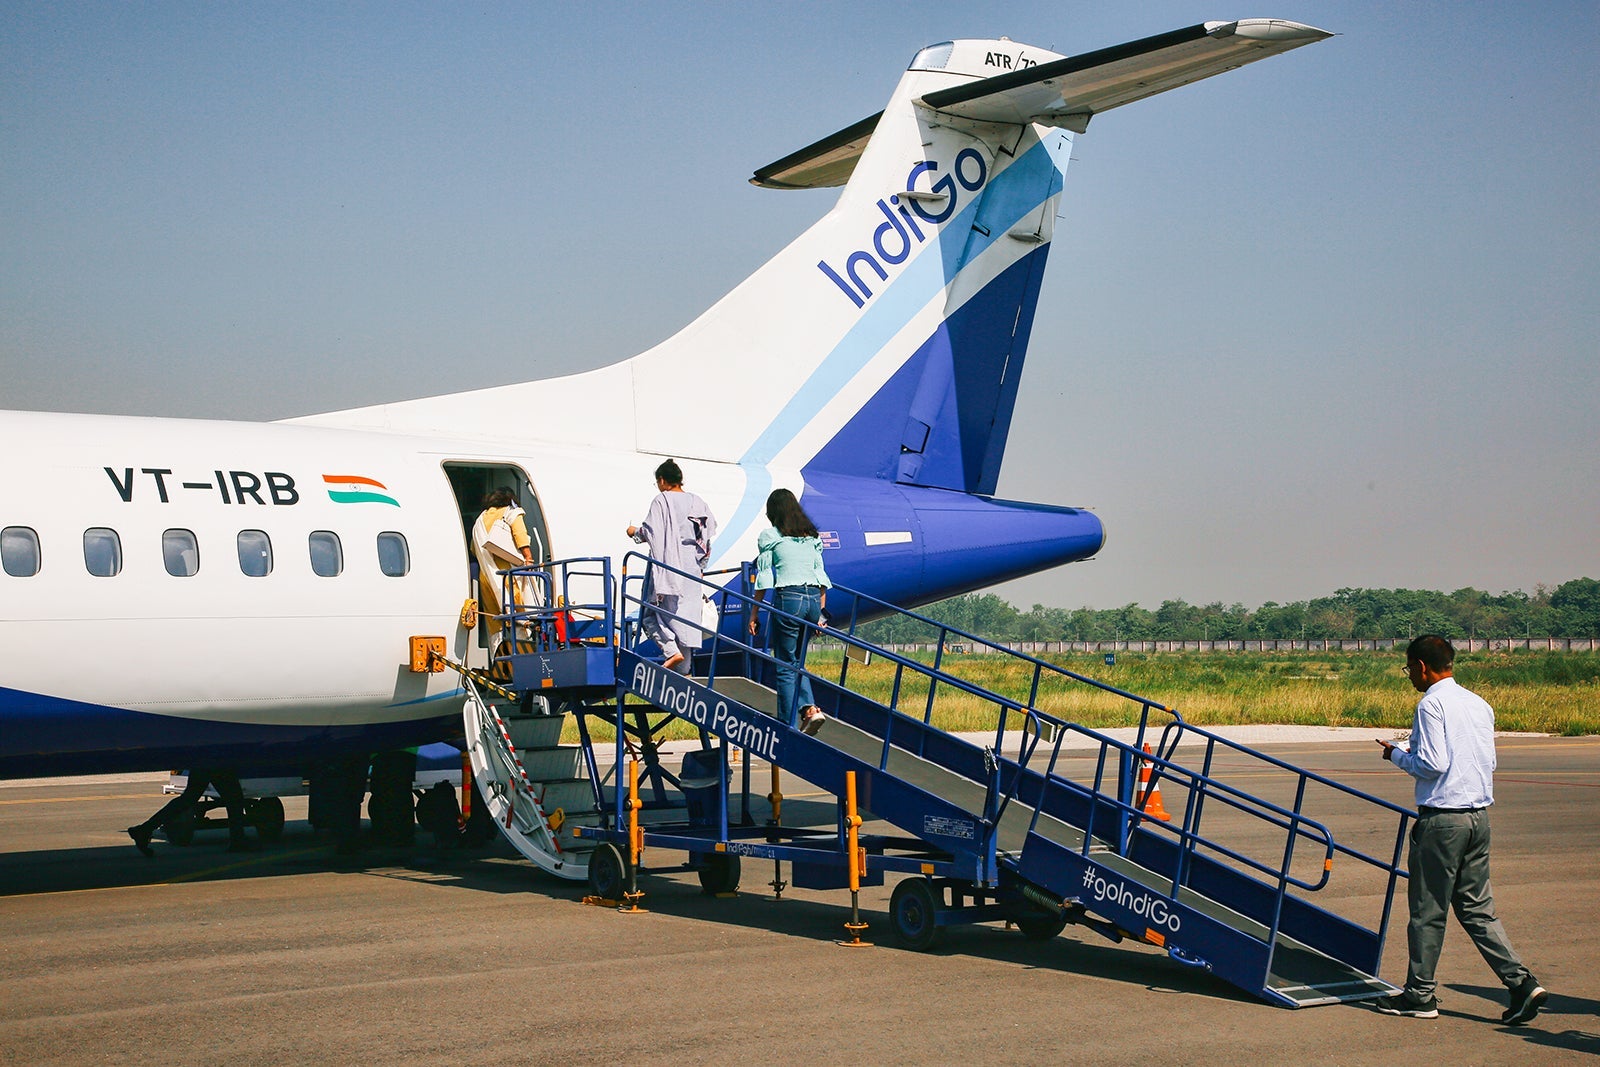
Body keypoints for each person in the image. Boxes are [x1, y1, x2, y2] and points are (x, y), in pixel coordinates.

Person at [1374, 635, 1547, 1025]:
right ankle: (1520, 982)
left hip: (1443, 820)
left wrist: (1397, 755)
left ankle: (1420, 995)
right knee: (1477, 909)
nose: (1410, 677)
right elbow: (1487, 760)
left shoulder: (1430, 704)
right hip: (1478, 816)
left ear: (1421, 666)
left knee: (1427, 911)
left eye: (1409, 670)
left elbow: (1433, 763)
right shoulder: (1478, 703)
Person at [748, 488, 830, 734]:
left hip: (790, 598)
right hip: (812, 601)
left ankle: (786, 725)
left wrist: (754, 613)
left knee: (785, 664)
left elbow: (763, 577)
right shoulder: (811, 538)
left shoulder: (771, 536)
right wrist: (820, 616)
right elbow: (821, 578)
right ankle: (810, 710)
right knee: (797, 660)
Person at [627, 459, 716, 673]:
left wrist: (634, 533)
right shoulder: (698, 502)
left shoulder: (662, 501)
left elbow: (651, 532)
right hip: (692, 568)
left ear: (662, 480)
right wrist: (701, 566)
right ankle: (683, 672)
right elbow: (707, 535)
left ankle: (670, 650)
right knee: (685, 621)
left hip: (668, 564)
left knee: (649, 613)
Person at [127, 767, 250, 855]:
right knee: (234, 800)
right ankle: (237, 841)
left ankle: (144, 830)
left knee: (188, 799)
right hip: (216, 759)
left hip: (205, 759)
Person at [472, 487, 537, 640]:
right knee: (519, 615)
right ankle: (521, 651)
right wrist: (528, 558)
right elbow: (519, 533)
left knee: (495, 622)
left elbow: (473, 549)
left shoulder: (480, 519)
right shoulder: (511, 511)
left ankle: (498, 656)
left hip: (486, 578)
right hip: (508, 574)